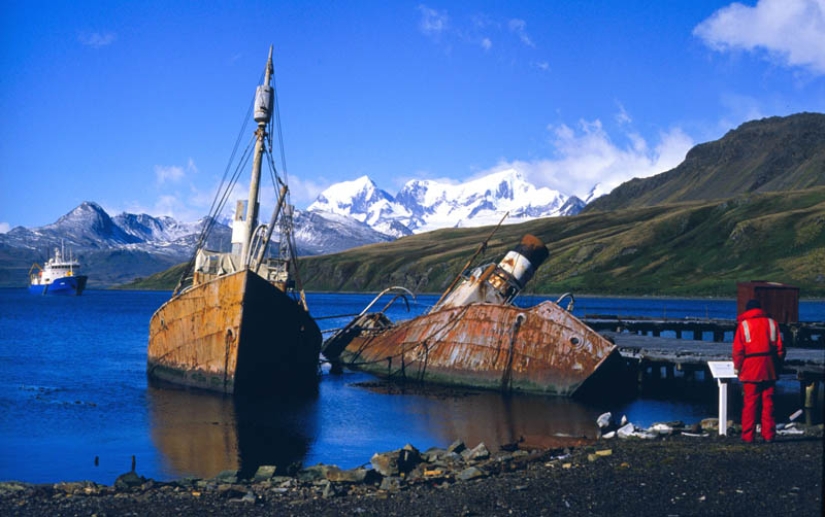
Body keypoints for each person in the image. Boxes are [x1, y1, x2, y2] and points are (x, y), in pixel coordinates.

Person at [732, 299, 785, 443]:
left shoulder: (744, 325)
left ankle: (748, 436)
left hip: (750, 368)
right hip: (769, 368)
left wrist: (737, 367)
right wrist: (777, 365)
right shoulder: (772, 323)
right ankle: (768, 435)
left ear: (747, 310)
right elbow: (780, 349)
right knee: (769, 403)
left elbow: (738, 350)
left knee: (750, 404)